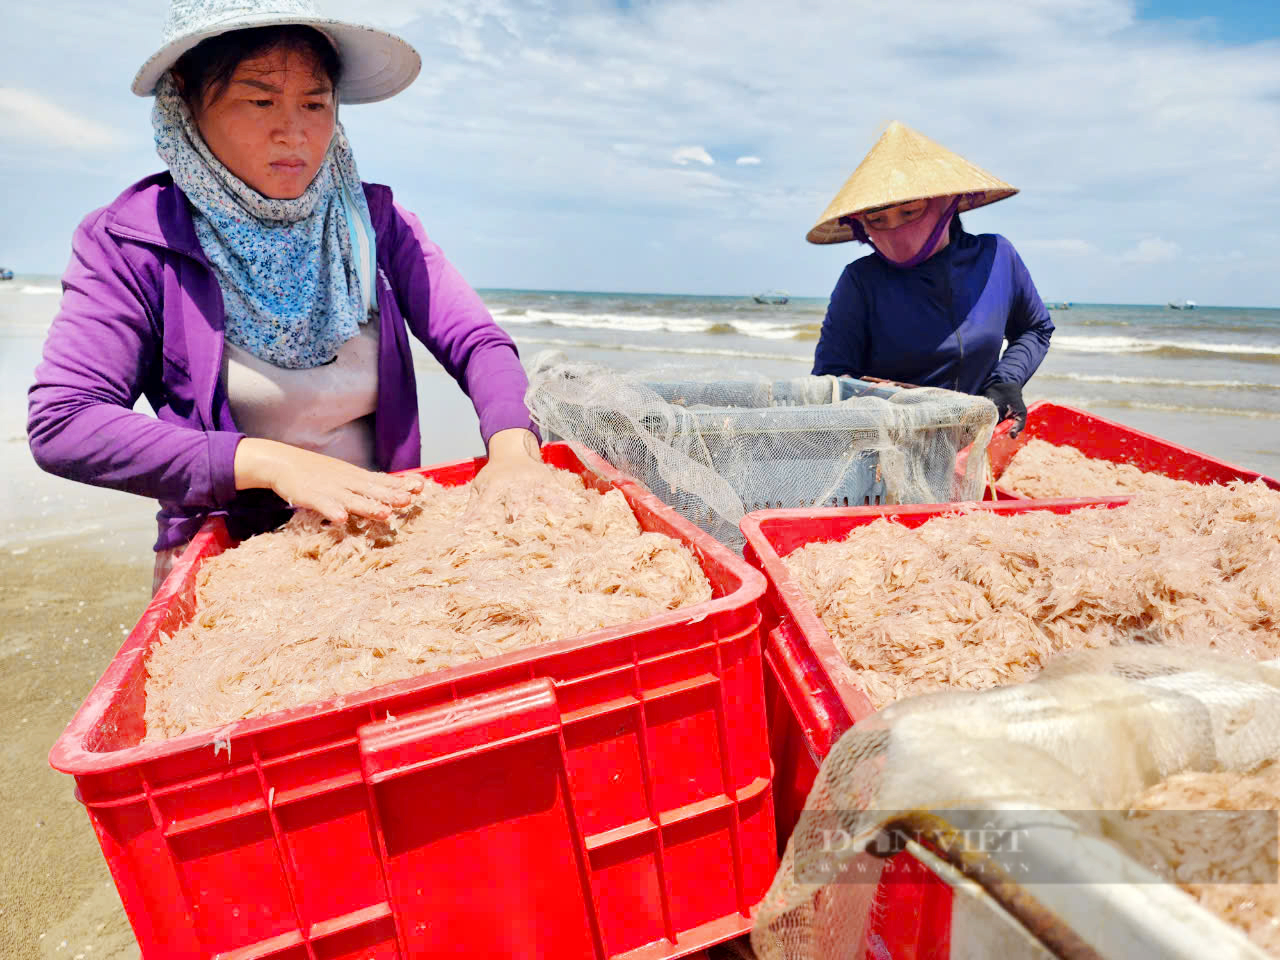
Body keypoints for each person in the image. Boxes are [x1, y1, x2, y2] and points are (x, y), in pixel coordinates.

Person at [27, 0, 552, 593]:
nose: (295, 131)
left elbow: (476, 341)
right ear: (185, 98)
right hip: (225, 558)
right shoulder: (132, 241)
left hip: (380, 539)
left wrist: (512, 448)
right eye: (259, 100)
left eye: (315, 102)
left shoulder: (374, 221)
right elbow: (65, 422)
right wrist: (269, 463)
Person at [807, 121, 1054, 437]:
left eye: (909, 213)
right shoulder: (861, 281)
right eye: (878, 220)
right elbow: (828, 381)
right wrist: (881, 398)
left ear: (944, 205)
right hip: (891, 448)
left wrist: (1006, 381)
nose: (896, 229)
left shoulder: (997, 257)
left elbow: (1035, 328)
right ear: (861, 225)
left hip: (975, 439)